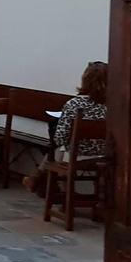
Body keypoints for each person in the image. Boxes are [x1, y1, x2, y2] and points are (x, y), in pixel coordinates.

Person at [24, 61, 109, 190]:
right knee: (60, 150)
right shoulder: (112, 105)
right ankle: (40, 181)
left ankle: (59, 191)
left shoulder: (74, 104)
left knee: (60, 149)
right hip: (104, 156)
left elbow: (60, 138)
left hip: (77, 155)